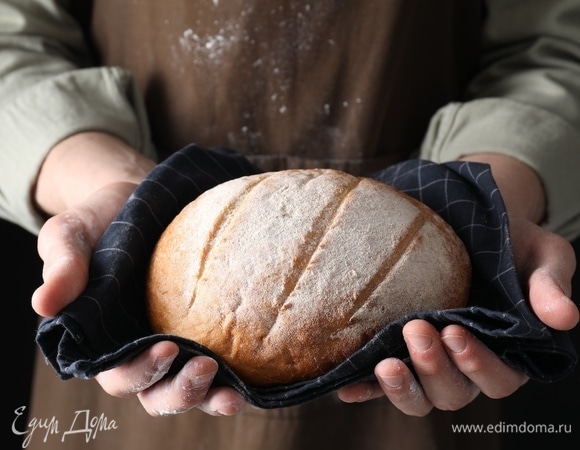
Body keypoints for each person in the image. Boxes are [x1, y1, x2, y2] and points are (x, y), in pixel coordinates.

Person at [2, 0, 579, 448]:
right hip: (124, 380)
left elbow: (558, 41)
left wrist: (496, 191)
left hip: (431, 379)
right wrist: (114, 185)